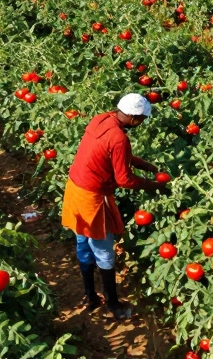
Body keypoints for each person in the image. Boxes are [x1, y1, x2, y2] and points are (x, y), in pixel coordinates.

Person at [60, 93, 166, 318]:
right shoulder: (119, 138)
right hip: (92, 197)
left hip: (75, 189)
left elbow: (113, 153)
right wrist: (155, 186)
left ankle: (90, 295)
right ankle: (113, 303)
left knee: (82, 242)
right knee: (103, 249)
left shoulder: (101, 119)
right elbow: (125, 180)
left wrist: (146, 165)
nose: (141, 123)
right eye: (140, 119)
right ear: (132, 117)